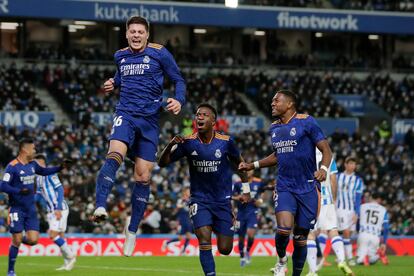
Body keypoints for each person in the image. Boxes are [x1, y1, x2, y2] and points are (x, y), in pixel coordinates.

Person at [93, 16, 186, 257]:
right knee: (115, 153)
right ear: (126, 34)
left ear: (147, 34)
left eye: (140, 32)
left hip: (150, 121)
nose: (136, 35)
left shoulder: (160, 53)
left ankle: (132, 231)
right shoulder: (120, 55)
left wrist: (179, 99)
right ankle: (100, 205)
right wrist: (114, 82)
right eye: (132, 31)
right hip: (125, 115)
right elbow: (122, 76)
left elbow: (178, 79)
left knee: (143, 176)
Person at [239, 90, 332, 276]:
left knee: (300, 238)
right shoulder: (274, 128)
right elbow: (277, 155)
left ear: (289, 104)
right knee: (283, 229)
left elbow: (326, 149)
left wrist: (324, 170)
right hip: (284, 186)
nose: (272, 104)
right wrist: (253, 165)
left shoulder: (307, 121)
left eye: (276, 101)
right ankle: (282, 259)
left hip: (307, 187)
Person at [158, 103, 251, 275]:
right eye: (197, 114)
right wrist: (170, 145)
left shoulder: (226, 142)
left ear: (213, 121)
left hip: (223, 201)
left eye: (204, 115)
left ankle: (220, 223)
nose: (199, 117)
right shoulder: (188, 142)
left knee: (225, 249)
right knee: (204, 240)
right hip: (199, 199)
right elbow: (162, 163)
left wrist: (246, 190)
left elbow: (241, 165)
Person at [0, 138, 71, 276]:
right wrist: (18, 191)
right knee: (17, 239)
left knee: (33, 240)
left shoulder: (32, 164)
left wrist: (60, 167)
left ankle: (17, 240)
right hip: (17, 208)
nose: (35, 151)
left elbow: (44, 171)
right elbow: (2, 185)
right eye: (33, 148)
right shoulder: (13, 166)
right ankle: (10, 271)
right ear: (25, 150)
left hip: (31, 209)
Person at [305, 150, 353, 276]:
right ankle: (342, 261)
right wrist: (334, 199)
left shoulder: (305, 154)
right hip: (327, 199)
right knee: (333, 230)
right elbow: (333, 180)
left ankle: (312, 271)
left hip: (312, 199)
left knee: (310, 234)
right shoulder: (329, 157)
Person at [34, 154, 76, 271]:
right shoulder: (38, 178)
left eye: (37, 163)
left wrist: (57, 208)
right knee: (61, 236)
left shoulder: (50, 173)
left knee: (53, 234)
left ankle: (71, 256)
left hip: (59, 208)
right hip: (51, 210)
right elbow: (37, 195)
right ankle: (67, 262)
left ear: (42, 163)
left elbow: (60, 189)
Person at [232, 170, 266, 267]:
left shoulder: (259, 182)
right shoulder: (238, 183)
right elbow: (233, 196)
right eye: (246, 171)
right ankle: (242, 257)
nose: (248, 172)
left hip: (252, 212)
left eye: (249, 170)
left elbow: (262, 196)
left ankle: (247, 251)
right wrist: (239, 197)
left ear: (253, 171)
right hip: (241, 213)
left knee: (251, 234)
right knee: (241, 237)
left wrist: (260, 201)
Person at [336, 156, 364, 265]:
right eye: (350, 163)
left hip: (351, 210)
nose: (352, 166)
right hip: (340, 208)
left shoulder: (358, 180)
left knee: (349, 233)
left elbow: (358, 197)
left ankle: (341, 256)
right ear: (345, 164)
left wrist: (356, 213)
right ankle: (350, 258)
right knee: (346, 232)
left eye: (354, 164)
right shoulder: (338, 177)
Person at [356, 193, 389, 266]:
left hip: (363, 234)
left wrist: (357, 230)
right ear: (379, 200)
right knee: (371, 260)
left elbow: (357, 221)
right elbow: (386, 227)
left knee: (359, 260)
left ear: (371, 198)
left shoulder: (362, 206)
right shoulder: (383, 209)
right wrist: (384, 242)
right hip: (375, 237)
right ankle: (377, 255)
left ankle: (363, 258)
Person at [162, 187, 193, 255]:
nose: (189, 192)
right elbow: (178, 207)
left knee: (187, 236)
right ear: (185, 192)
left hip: (188, 219)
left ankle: (183, 251)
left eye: (189, 191)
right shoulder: (181, 200)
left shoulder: (191, 200)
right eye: (188, 191)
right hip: (183, 219)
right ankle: (167, 243)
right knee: (182, 237)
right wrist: (185, 201)